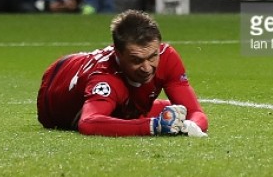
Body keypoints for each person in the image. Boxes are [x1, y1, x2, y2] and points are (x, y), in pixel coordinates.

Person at [37, 9, 208, 137]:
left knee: (175, 113)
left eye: (152, 56)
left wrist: (191, 126)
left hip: (116, 99)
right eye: (137, 60)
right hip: (54, 88)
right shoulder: (105, 78)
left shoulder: (167, 57)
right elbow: (88, 123)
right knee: (145, 114)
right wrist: (152, 126)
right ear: (117, 54)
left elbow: (196, 113)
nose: (147, 68)